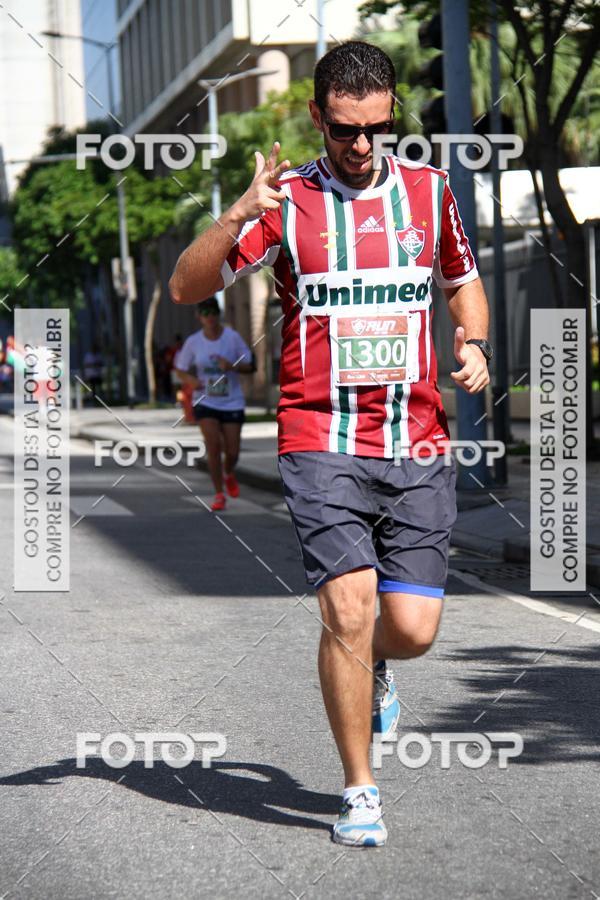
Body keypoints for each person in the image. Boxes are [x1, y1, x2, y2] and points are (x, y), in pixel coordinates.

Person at [169, 41, 492, 847]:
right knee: (348, 609)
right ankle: (359, 789)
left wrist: (475, 341)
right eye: (345, 129)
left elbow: (462, 281)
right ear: (318, 116)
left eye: (375, 128)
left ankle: (376, 662)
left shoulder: (426, 193)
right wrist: (239, 213)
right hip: (318, 437)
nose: (360, 145)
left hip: (415, 438)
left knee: (411, 629)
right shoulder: (285, 203)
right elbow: (185, 286)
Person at [174, 297, 254, 510]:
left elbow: (250, 365)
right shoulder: (193, 342)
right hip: (205, 400)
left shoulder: (232, 338)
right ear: (198, 316)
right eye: (205, 313)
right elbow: (180, 368)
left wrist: (232, 366)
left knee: (233, 451)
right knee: (213, 446)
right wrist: (191, 380)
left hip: (232, 402)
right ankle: (219, 493)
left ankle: (229, 472)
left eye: (213, 312)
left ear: (219, 314)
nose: (209, 317)